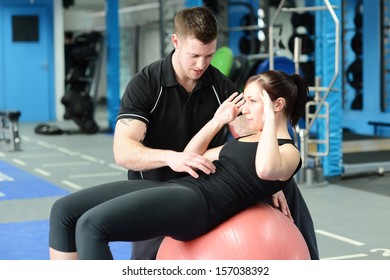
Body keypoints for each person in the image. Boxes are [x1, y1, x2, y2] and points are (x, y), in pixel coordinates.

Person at [109, 6, 312, 260]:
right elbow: (123, 151)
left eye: (209, 56)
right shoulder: (146, 85)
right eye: (195, 55)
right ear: (176, 42)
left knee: (287, 183)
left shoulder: (220, 85)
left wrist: (271, 179)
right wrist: (172, 158)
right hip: (156, 185)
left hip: (206, 184)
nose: (201, 64)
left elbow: (250, 133)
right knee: (149, 261)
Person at [49, 70, 308, 260]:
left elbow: (265, 169)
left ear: (278, 105)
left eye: (253, 101)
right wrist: (218, 121)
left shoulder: (289, 151)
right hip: (180, 186)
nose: (245, 109)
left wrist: (272, 120)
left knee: (92, 226)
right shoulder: (250, 138)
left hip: (198, 204)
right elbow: (192, 155)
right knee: (66, 210)